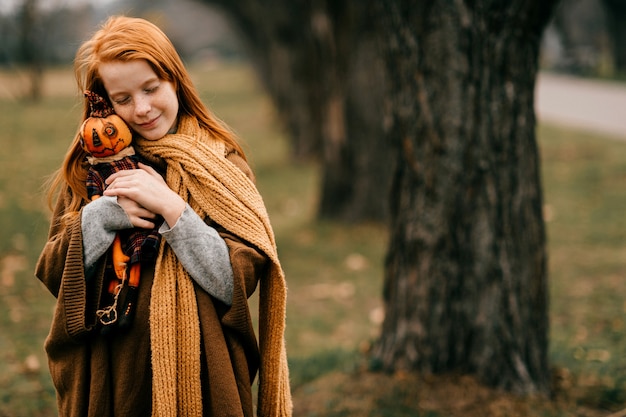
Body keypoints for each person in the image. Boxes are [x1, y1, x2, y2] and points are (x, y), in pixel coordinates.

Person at [35, 15, 292, 417]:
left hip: (205, 374)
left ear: (174, 79)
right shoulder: (94, 169)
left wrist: (173, 210)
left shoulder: (222, 166)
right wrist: (102, 216)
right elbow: (55, 274)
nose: (141, 108)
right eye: (122, 99)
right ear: (103, 102)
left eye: (151, 89)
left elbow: (236, 284)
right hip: (113, 375)